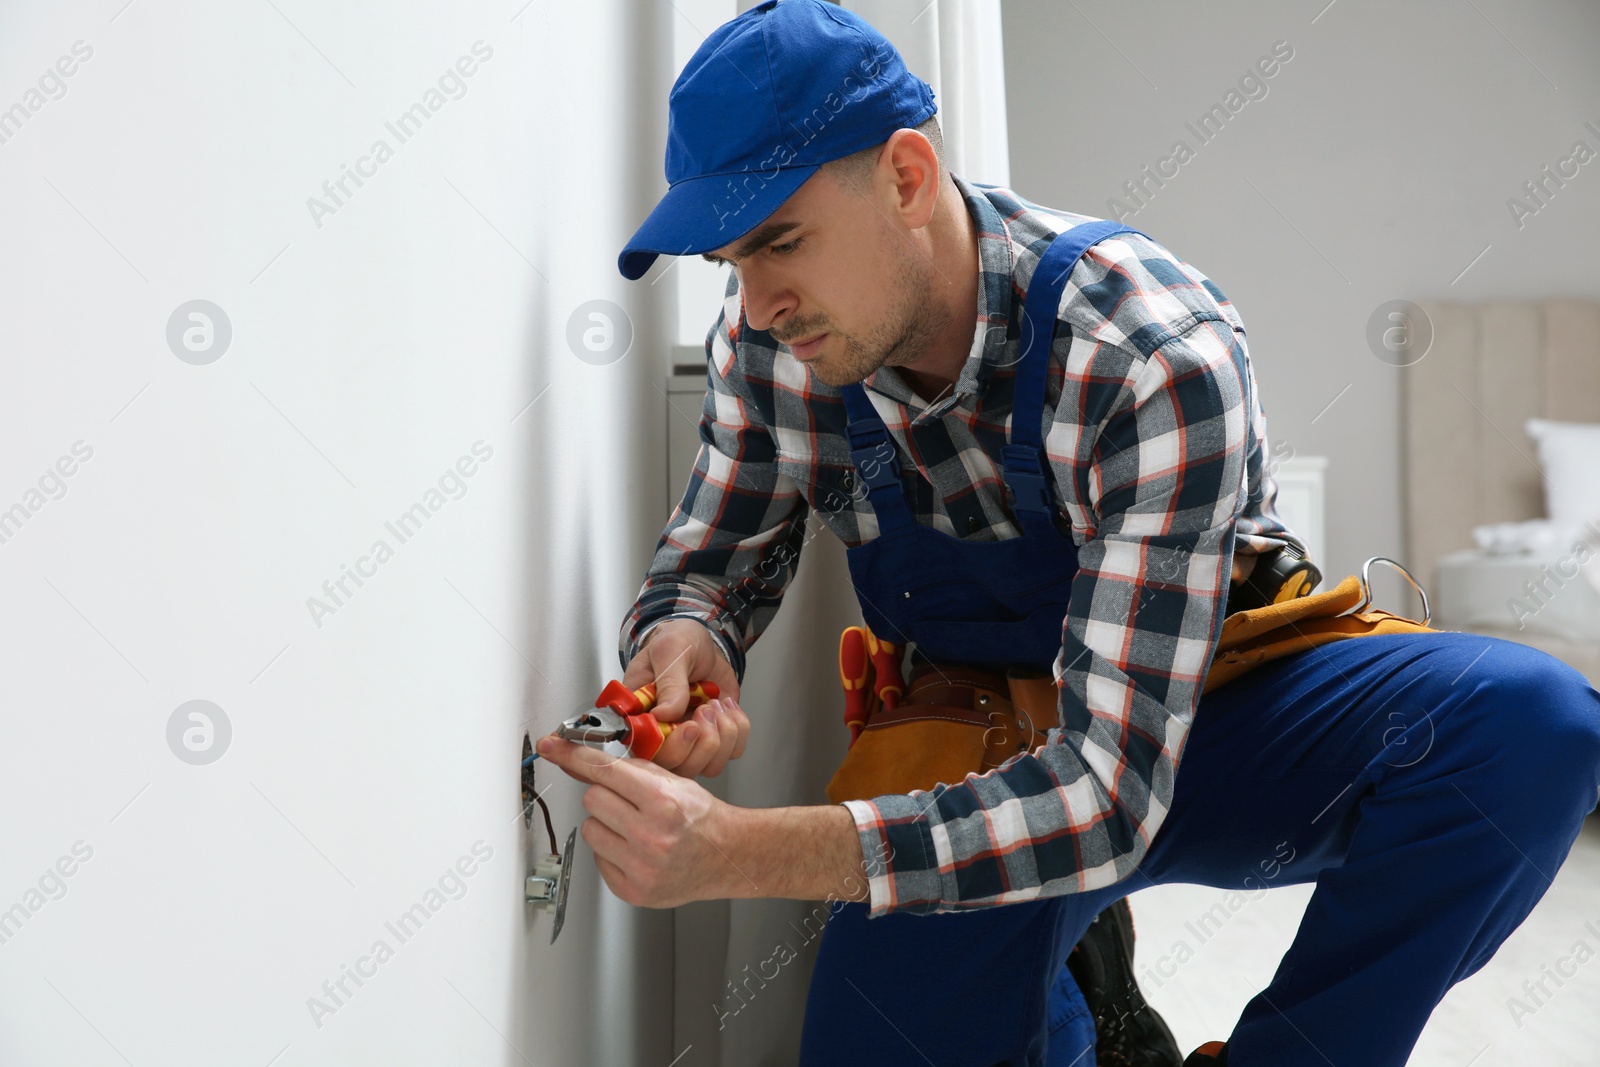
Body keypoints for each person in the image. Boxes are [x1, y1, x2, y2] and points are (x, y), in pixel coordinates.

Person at [535, 2, 1600, 1064]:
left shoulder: (1149, 352)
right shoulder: (773, 344)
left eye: (780, 242)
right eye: (731, 262)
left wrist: (739, 852)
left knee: (1532, 725)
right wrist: (687, 645)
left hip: (1199, 721)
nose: (759, 302)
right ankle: (1088, 1009)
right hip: (974, 749)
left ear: (906, 176)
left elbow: (1105, 792)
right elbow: (706, 568)